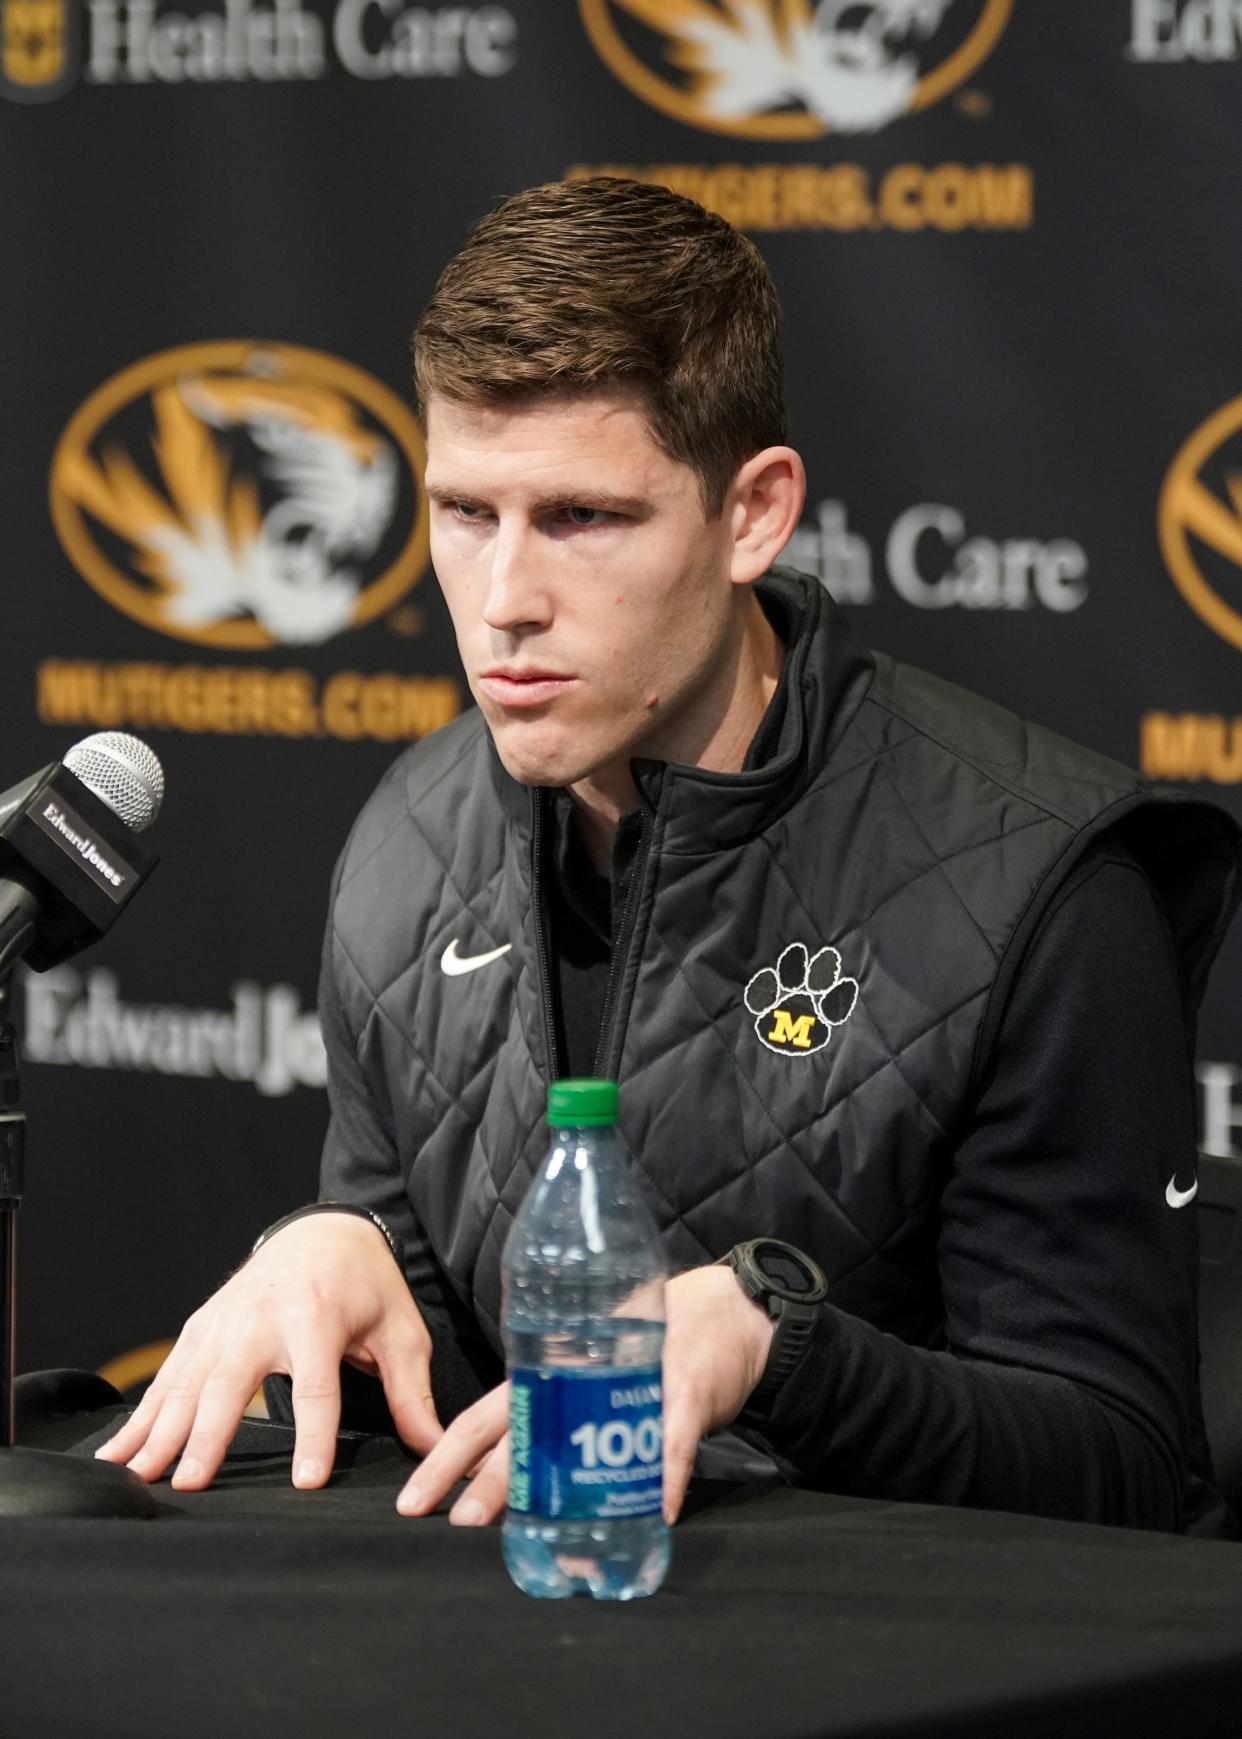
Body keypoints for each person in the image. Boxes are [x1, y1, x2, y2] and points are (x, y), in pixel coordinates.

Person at [98, 177, 1241, 1536]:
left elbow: (1119, 1468)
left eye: (583, 518)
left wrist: (773, 1347)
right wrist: (338, 1250)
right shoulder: (410, 833)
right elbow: (450, 1342)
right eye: (467, 514)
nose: (505, 599)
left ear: (750, 514)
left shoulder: (1039, 885)